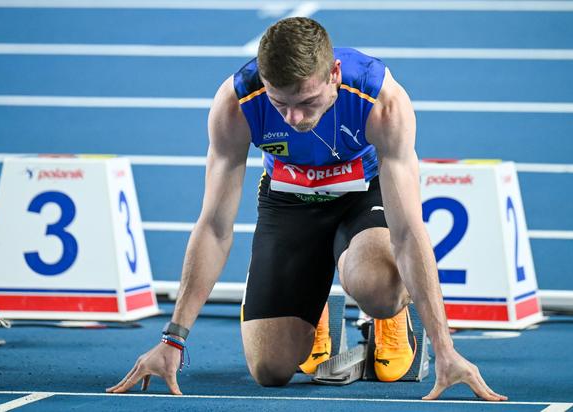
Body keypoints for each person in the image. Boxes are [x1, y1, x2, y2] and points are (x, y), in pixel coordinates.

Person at [107, 17, 507, 401]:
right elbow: (214, 227)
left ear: (334, 73)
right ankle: (312, 307)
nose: (295, 118)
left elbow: (407, 231)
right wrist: (173, 339)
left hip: (363, 194)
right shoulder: (236, 104)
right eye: (281, 104)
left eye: (307, 101)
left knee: (378, 288)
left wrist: (446, 349)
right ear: (265, 83)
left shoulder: (379, 99)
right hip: (289, 198)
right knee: (270, 371)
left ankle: (389, 317)